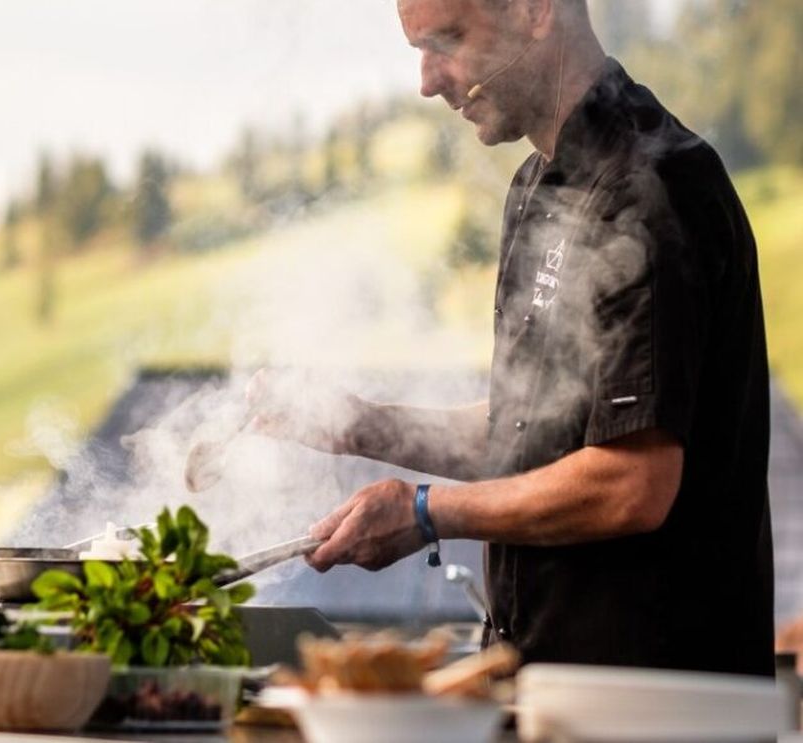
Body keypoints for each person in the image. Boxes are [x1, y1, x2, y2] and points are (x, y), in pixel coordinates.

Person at [248, 0, 773, 676]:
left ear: (533, 10)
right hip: (547, 688)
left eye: (446, 40)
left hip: (654, 704)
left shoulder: (651, 190)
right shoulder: (536, 188)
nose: (428, 80)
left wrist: (425, 513)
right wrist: (362, 425)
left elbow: (630, 480)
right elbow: (534, 433)